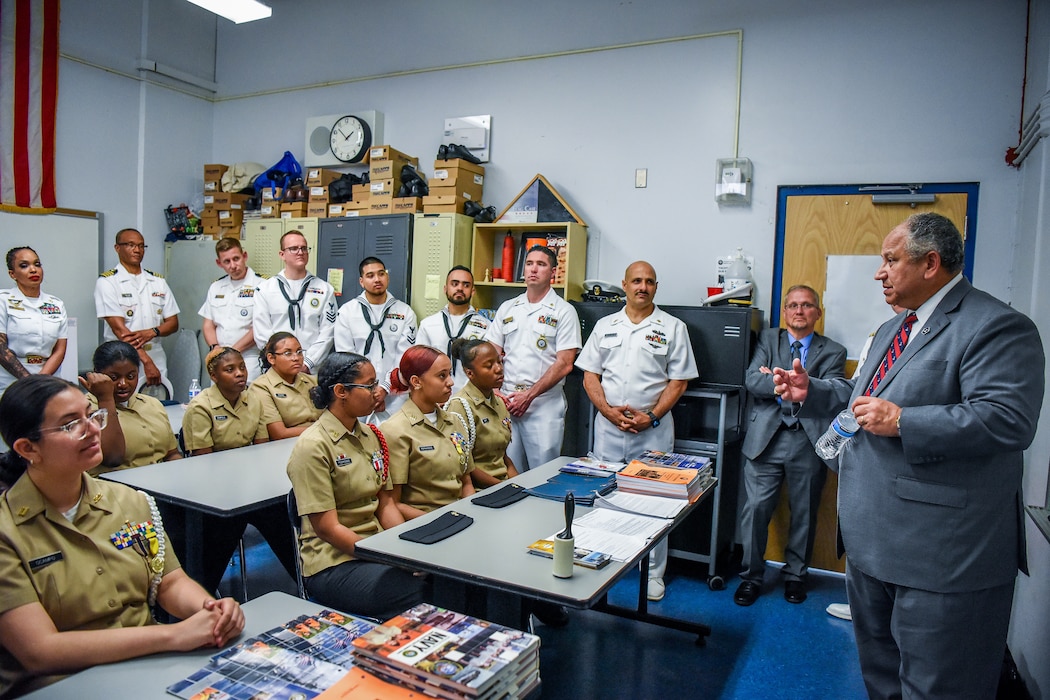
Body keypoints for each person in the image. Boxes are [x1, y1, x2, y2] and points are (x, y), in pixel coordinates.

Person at [773, 213, 1044, 699]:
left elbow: (1007, 419)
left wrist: (904, 422)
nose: (880, 271)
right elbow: (864, 396)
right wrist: (810, 391)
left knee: (939, 687)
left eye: (891, 260)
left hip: (942, 556)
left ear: (931, 263)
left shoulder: (997, 326)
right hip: (872, 542)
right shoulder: (894, 328)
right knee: (882, 678)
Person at [0, 375, 243, 695]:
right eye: (71, 424)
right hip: (61, 684)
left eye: (92, 415)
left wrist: (210, 612)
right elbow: (40, 651)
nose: (93, 429)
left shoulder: (129, 501)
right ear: (27, 448)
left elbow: (168, 582)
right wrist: (173, 636)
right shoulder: (8, 531)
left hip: (149, 668)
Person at [576, 261, 698, 602]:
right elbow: (589, 375)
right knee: (604, 497)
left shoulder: (673, 327)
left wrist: (652, 416)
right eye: (636, 281)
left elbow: (679, 380)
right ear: (624, 285)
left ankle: (653, 575)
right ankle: (602, 564)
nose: (642, 287)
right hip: (608, 427)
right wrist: (607, 411)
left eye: (649, 282)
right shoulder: (605, 325)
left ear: (656, 287)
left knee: (657, 502)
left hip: (653, 430)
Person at [286, 352, 426, 621]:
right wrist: (390, 558)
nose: (377, 392)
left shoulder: (370, 435)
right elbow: (328, 528)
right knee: (422, 590)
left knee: (447, 576)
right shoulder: (313, 447)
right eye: (369, 385)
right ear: (341, 392)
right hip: (334, 563)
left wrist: (407, 549)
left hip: (375, 548)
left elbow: (385, 504)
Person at [733, 285, 846, 607]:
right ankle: (751, 577)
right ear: (784, 312)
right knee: (755, 510)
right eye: (793, 305)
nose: (799, 311)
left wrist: (793, 383)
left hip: (807, 441)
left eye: (807, 305)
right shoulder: (768, 339)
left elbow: (834, 391)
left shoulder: (833, 351)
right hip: (765, 441)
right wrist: (779, 382)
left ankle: (796, 576)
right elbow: (752, 380)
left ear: (817, 313)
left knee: (805, 513)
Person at [181, 347, 297, 593]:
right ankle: (202, 597)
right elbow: (203, 463)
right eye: (229, 369)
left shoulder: (253, 399)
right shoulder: (201, 406)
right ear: (214, 376)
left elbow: (261, 448)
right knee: (221, 532)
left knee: (284, 517)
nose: (239, 374)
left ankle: (306, 585)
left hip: (253, 486)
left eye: (242, 367)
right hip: (218, 492)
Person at [484, 246, 581, 471]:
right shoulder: (508, 308)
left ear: (553, 272)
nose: (533, 269)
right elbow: (491, 353)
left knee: (542, 472)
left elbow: (565, 364)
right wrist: (494, 391)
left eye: (541, 264)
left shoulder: (564, 311)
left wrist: (528, 396)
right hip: (506, 401)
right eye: (529, 264)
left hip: (542, 405)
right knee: (507, 471)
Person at [382, 345, 474, 519]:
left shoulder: (453, 421)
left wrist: (471, 513)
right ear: (416, 382)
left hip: (462, 515)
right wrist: (444, 520)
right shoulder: (395, 430)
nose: (451, 382)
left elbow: (466, 482)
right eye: (442, 376)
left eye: (450, 373)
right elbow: (392, 503)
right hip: (425, 520)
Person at [94, 228, 180, 397]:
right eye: (131, 245)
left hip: (156, 352)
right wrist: (146, 362)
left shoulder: (157, 281)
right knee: (124, 409)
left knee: (157, 407)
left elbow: (173, 323)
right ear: (117, 248)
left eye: (141, 246)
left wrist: (152, 332)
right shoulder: (108, 282)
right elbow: (120, 331)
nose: (137, 250)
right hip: (122, 358)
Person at [334, 257, 417, 421]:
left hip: (395, 397)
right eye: (370, 275)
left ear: (387, 277)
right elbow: (346, 359)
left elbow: (405, 359)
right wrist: (370, 391)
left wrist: (385, 388)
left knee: (394, 442)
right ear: (361, 281)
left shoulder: (405, 313)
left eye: (381, 274)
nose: (377, 279)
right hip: (358, 394)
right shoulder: (347, 312)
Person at [80, 340, 181, 474]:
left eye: (131, 376)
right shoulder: (84, 410)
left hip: (161, 483)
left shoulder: (152, 404)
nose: (123, 384)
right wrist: (105, 399)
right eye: (114, 377)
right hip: (116, 489)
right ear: (96, 375)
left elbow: (171, 454)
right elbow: (112, 458)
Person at [252, 231, 336, 374]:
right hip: (277, 369)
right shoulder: (265, 289)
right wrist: (282, 362)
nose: (300, 252)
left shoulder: (324, 289)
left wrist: (307, 363)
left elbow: (328, 332)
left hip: (311, 370)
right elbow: (262, 332)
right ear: (282, 254)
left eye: (304, 248)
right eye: (293, 248)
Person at [446, 338, 517, 489]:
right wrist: (505, 487)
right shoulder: (460, 406)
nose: (499, 369)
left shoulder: (498, 402)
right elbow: (464, 466)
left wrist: (518, 485)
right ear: (470, 373)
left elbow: (502, 457)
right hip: (479, 489)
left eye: (499, 362)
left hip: (503, 484)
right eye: (489, 366)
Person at [0, 247, 67, 397]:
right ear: (12, 274)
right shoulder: (3, 300)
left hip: (48, 380)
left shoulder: (56, 304)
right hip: (10, 382)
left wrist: (41, 380)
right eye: (24, 265)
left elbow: (59, 349)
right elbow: (1, 349)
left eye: (37, 264)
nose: (33, 270)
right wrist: (30, 382)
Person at [198, 238, 265, 382]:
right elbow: (208, 324)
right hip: (220, 360)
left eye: (236, 259)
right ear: (219, 263)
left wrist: (232, 352)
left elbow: (259, 326)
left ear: (244, 256)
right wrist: (215, 348)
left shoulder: (262, 285)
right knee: (217, 402)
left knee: (247, 402)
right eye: (227, 261)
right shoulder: (216, 287)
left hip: (248, 359)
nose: (233, 265)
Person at [416, 266, 489, 393]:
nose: (460, 288)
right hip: (435, 399)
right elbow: (419, 366)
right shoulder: (428, 325)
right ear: (445, 289)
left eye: (466, 285)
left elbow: (486, 368)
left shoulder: (486, 327)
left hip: (470, 400)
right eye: (454, 284)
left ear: (472, 291)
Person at [250, 332, 322, 440]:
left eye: (299, 352)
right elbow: (279, 433)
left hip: (321, 440)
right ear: (271, 358)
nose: (296, 358)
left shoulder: (312, 380)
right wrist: (325, 428)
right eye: (288, 353)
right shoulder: (261, 387)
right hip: (288, 445)